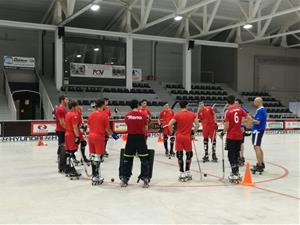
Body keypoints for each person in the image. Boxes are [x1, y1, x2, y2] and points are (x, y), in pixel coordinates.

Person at [220, 96, 252, 182]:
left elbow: (227, 126)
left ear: (227, 102)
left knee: (231, 154)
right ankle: (237, 172)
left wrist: (222, 133)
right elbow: (249, 119)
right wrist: (246, 125)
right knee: (237, 153)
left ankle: (234, 173)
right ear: (234, 101)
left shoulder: (227, 112)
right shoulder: (240, 109)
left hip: (231, 136)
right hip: (239, 135)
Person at [88, 99, 118, 185]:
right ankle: (96, 176)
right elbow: (107, 129)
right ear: (102, 105)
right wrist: (113, 135)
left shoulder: (91, 114)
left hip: (91, 136)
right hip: (99, 137)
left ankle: (94, 175)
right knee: (98, 157)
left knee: (92, 156)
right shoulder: (104, 115)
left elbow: (89, 125)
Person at [121, 99, 150, 188]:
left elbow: (127, 125)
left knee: (128, 158)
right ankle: (145, 178)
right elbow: (145, 127)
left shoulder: (127, 116)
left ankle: (125, 179)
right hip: (140, 138)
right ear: (138, 105)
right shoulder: (143, 115)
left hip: (131, 138)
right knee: (144, 158)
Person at [168, 101, 200, 182]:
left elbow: (169, 125)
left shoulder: (177, 114)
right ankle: (188, 171)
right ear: (186, 105)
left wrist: (172, 132)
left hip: (179, 137)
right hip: (187, 137)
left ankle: (182, 172)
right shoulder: (192, 114)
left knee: (179, 154)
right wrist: (193, 132)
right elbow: (197, 125)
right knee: (189, 154)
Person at [64, 101, 81, 178]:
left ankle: (67, 168)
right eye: (77, 106)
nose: (78, 108)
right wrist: (77, 137)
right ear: (73, 107)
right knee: (71, 152)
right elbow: (75, 127)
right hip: (71, 135)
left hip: (67, 134)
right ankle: (72, 170)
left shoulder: (67, 114)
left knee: (68, 152)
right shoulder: (74, 115)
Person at [251, 97, 267, 174]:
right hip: (259, 130)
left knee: (256, 146)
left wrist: (250, 120)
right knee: (258, 146)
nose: (254, 103)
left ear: (258, 102)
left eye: (255, 101)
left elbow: (257, 122)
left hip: (257, 131)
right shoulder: (261, 110)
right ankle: (261, 163)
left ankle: (259, 164)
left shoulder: (260, 111)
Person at [55, 95, 68, 173]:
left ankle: (62, 160)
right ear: (62, 100)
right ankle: (61, 161)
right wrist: (69, 129)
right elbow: (62, 123)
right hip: (61, 130)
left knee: (63, 146)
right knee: (62, 146)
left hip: (63, 130)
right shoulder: (60, 109)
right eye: (66, 99)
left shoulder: (64, 109)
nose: (68, 101)